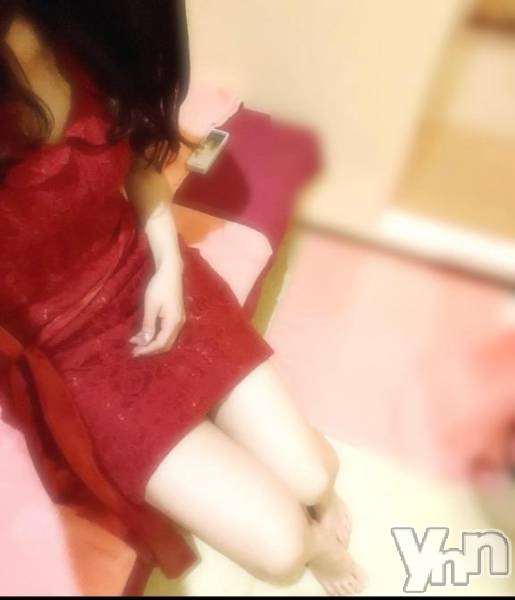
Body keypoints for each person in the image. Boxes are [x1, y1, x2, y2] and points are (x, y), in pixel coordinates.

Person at [0, 1, 364, 595]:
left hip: (143, 271)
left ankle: (302, 500)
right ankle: (319, 547)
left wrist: (168, 262)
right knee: (282, 551)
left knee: (315, 475)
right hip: (73, 362)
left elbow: (140, 166)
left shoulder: (81, 39)